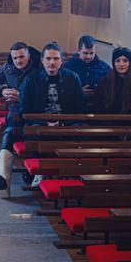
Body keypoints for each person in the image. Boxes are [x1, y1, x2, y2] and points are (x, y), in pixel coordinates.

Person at [19, 42, 85, 187]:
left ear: (62, 61)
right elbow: (24, 110)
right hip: (40, 122)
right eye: (48, 59)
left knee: (82, 131)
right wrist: (45, 123)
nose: (52, 63)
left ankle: (74, 170)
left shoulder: (72, 78)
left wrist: (63, 123)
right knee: (33, 131)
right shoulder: (32, 78)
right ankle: (39, 172)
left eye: (56, 59)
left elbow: (80, 109)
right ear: (42, 60)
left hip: (66, 123)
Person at [0, 42, 41, 193]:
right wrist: (2, 90)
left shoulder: (40, 67)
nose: (18, 61)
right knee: (9, 134)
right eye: (15, 57)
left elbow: (45, 92)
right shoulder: (8, 67)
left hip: (36, 113)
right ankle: (3, 179)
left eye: (22, 57)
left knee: (33, 136)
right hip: (15, 113)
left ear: (29, 56)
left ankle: (35, 173)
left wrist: (22, 96)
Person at [95, 47, 131, 114]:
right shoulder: (103, 83)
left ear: (130, 63)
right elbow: (98, 109)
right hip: (108, 123)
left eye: (125, 61)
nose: (121, 64)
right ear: (113, 63)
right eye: (118, 61)